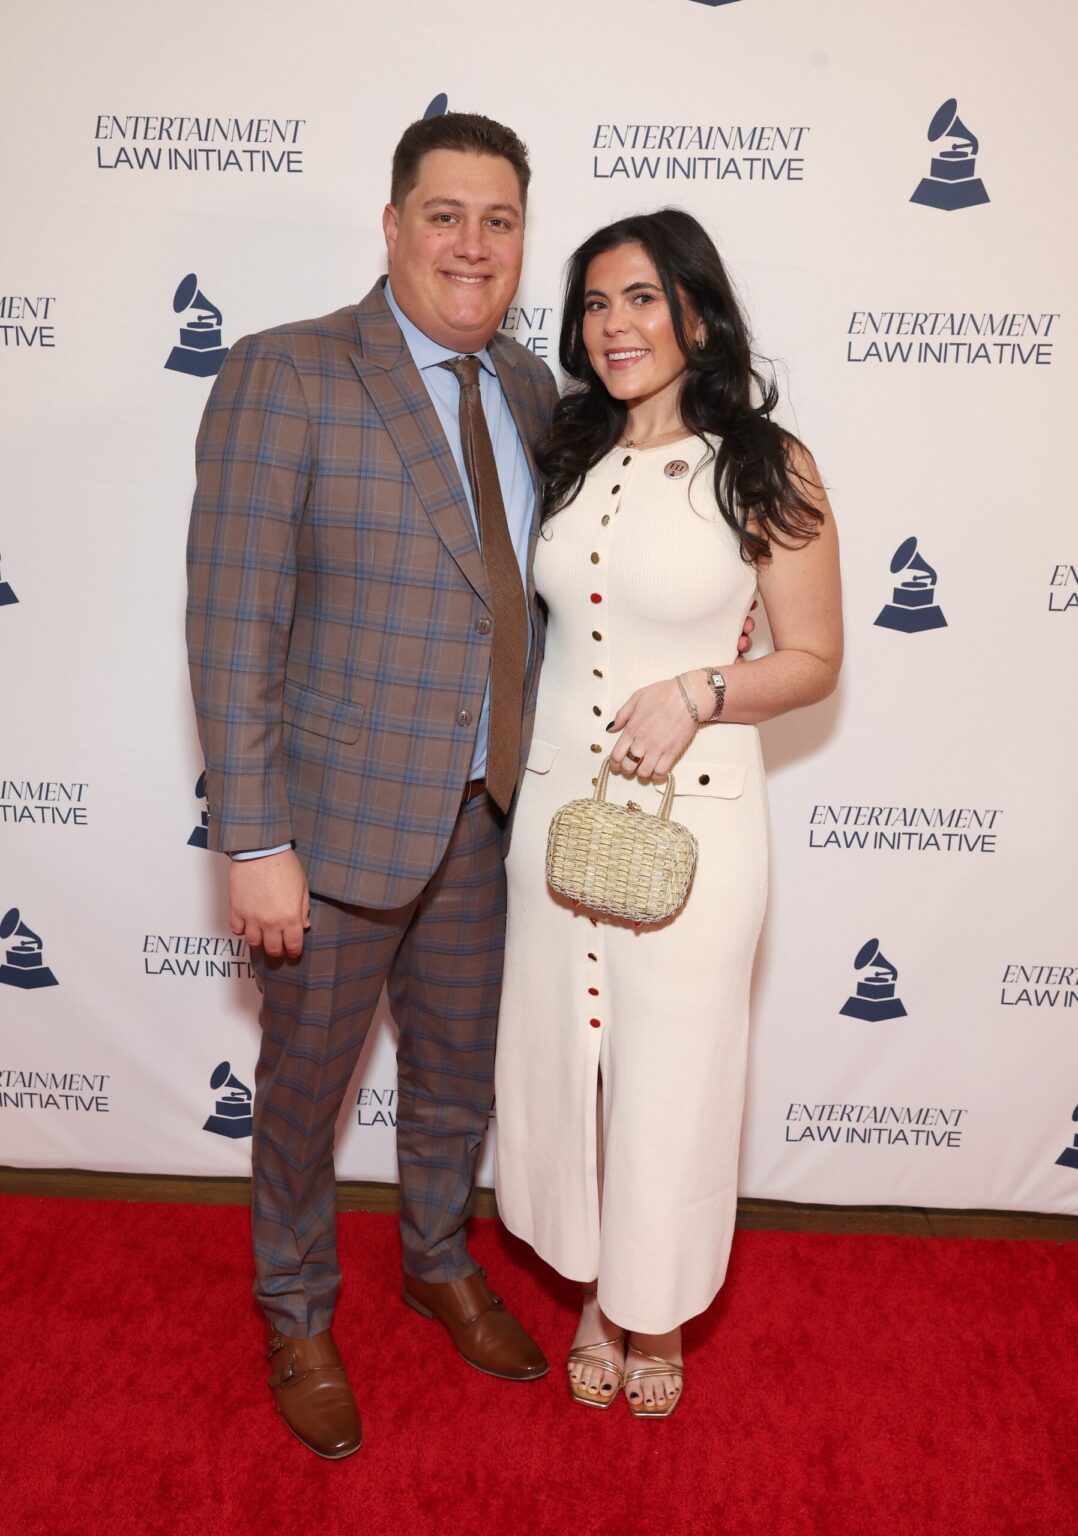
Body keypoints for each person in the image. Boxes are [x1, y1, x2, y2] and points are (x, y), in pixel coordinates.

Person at [186, 112, 559, 1461]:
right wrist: (255, 835)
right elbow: (232, 623)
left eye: (498, 220)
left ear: (523, 240)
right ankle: (293, 1307)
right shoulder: (285, 374)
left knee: (456, 1076)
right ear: (393, 225)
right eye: (445, 214)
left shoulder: (527, 390)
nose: (472, 243)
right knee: (303, 1090)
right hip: (333, 828)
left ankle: (436, 1258)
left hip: (487, 814)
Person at [494, 209, 842, 1417]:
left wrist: (702, 689)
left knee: (675, 1077)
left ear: (693, 311)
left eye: (640, 298)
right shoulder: (562, 452)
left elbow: (814, 659)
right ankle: (592, 1291)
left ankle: (656, 1317)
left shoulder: (764, 463)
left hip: (697, 829)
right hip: (557, 819)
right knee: (566, 1068)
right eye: (594, 304)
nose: (614, 325)